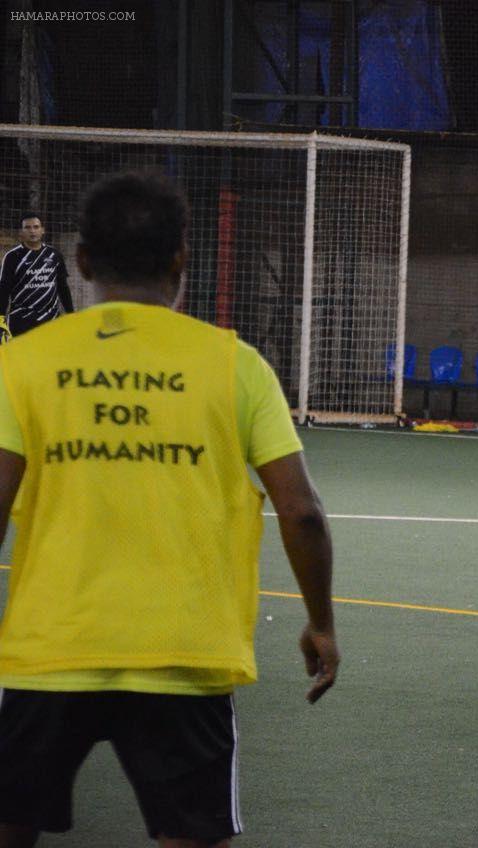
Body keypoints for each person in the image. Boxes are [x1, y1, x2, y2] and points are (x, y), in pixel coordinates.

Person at [0, 172, 339, 848]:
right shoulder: (236, 365)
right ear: (182, 258)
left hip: (50, 649)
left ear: (84, 262)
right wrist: (321, 623)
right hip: (186, 654)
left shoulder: (23, 363)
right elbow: (300, 510)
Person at [0, 213, 76, 339]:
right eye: (27, 227)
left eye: (36, 227)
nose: (32, 231)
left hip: (50, 320)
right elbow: (4, 289)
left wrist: (71, 314)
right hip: (21, 320)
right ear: (21, 232)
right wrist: (0, 318)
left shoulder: (54, 254)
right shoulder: (12, 257)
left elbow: (63, 287)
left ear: (43, 230)